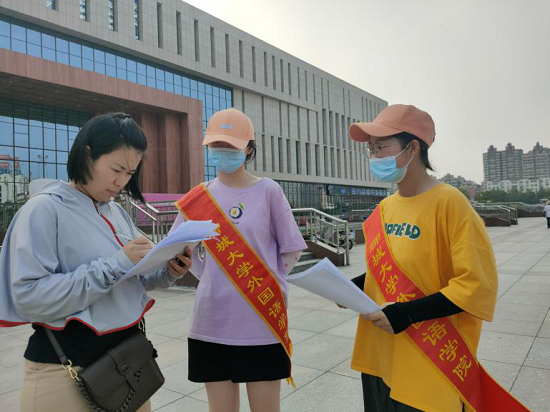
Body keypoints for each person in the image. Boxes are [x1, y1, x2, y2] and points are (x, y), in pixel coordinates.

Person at [0, 113, 192, 412]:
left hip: (128, 363)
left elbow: (132, 279)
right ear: (87, 155)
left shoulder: (116, 212)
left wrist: (168, 271)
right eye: (116, 169)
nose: (121, 181)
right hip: (66, 371)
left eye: (130, 173)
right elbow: (29, 297)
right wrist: (115, 264)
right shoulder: (44, 209)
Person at [345, 104, 505, 412]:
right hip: (381, 356)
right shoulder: (384, 209)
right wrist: (351, 287)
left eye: (382, 147)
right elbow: (389, 270)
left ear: (413, 148)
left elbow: (476, 283)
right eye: (371, 150)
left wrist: (407, 314)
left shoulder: (450, 203)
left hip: (431, 359)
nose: (375, 157)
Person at [171, 108, 307, 412]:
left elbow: (291, 249)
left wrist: (267, 280)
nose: (222, 150)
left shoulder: (268, 190)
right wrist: (209, 276)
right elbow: (177, 248)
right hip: (211, 321)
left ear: (248, 148)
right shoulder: (198, 198)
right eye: (216, 144)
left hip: (261, 321)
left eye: (230, 145)